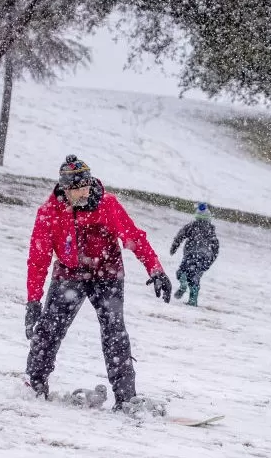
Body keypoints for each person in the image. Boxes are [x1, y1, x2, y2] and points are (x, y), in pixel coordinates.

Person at [24, 155, 172, 411]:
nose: (84, 192)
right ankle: (34, 384)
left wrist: (156, 269)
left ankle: (126, 397)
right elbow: (38, 260)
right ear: (65, 189)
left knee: (115, 333)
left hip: (107, 275)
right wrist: (33, 301)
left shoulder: (107, 205)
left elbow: (134, 237)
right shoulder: (49, 213)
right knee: (48, 329)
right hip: (69, 275)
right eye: (77, 188)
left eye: (86, 186)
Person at [170, 202, 220, 307]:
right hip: (205, 257)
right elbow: (215, 248)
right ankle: (193, 300)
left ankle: (183, 284)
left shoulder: (192, 226)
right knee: (195, 278)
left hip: (190, 254)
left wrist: (174, 248)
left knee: (181, 271)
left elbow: (180, 236)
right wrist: (209, 262)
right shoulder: (211, 231)